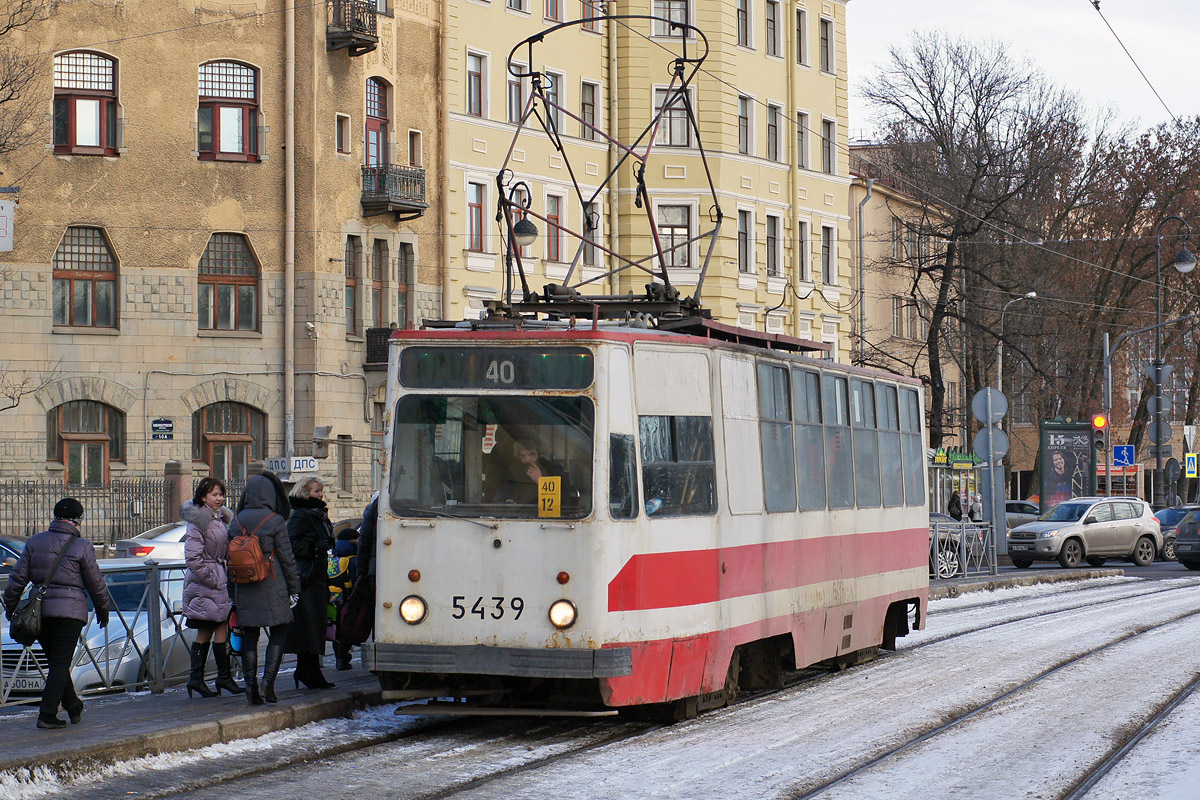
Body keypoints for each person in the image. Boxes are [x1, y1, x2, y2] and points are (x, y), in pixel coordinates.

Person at [3, 498, 110, 729]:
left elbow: (17, 580)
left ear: (55, 517)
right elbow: (96, 584)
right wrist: (103, 610)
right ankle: (47, 714)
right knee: (60, 663)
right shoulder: (82, 546)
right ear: (78, 521)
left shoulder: (35, 542)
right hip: (70, 613)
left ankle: (73, 706)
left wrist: (11, 608)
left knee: (56, 662)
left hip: (40, 612)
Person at [228, 472, 299, 705]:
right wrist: (294, 588)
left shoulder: (236, 521)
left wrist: (232, 593)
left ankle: (250, 687)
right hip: (272, 584)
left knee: (250, 634)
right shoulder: (275, 520)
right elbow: (287, 558)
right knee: (279, 630)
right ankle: (268, 683)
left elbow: (227, 559)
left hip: (244, 586)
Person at [181, 477, 244, 698]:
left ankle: (212, 678)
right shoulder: (199, 521)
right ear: (203, 497)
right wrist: (214, 579)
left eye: (221, 494)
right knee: (210, 628)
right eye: (214, 495)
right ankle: (206, 678)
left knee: (216, 628)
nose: (219, 499)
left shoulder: (219, 519)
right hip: (207, 583)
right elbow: (193, 558)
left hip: (218, 579)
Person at [284, 475, 335, 690]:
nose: (321, 494)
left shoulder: (318, 514)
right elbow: (291, 543)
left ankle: (309, 670)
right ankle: (308, 671)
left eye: (321, 491)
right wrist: (314, 548)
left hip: (317, 577)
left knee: (315, 626)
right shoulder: (300, 516)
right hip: (306, 578)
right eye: (316, 491)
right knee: (309, 626)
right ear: (305, 493)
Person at [494, 440, 569, 505]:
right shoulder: (515, 471)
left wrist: (541, 481)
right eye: (522, 456)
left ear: (539, 454)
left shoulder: (554, 470)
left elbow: (562, 503)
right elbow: (501, 494)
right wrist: (506, 500)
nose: (527, 459)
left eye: (532, 454)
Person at [328, 527, 359, 670]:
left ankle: (339, 658)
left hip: (333, 599)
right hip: (348, 598)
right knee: (348, 628)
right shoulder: (354, 560)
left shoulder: (333, 558)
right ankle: (342, 659)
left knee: (337, 630)